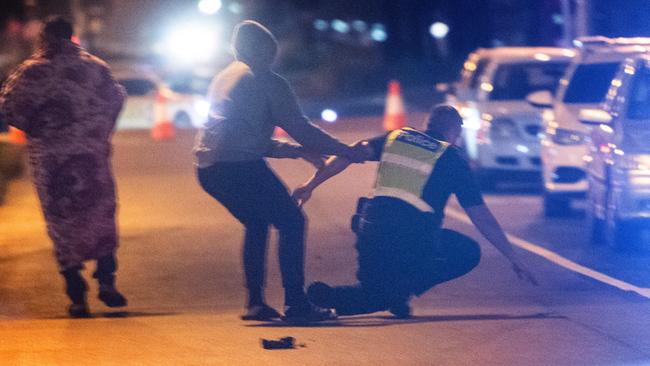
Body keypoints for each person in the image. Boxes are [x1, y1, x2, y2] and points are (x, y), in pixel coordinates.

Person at [292, 105, 537, 318]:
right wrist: (513, 257)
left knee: (375, 287)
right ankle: (334, 296)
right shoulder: (452, 157)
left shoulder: (398, 137)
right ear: (455, 131)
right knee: (467, 251)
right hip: (412, 238)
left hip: (370, 233)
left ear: (427, 125)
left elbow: (350, 152)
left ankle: (389, 291)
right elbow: (481, 217)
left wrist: (310, 185)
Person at [193, 20, 364, 322]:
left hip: (209, 169)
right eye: (270, 49)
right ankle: (297, 304)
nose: (273, 56)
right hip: (239, 166)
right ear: (263, 50)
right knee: (292, 222)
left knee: (257, 223)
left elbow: (243, 136)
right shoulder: (266, 80)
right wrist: (345, 150)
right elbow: (300, 128)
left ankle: (255, 302)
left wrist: (296, 152)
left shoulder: (224, 77)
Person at [0, 16, 127, 318]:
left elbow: (8, 106)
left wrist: (35, 127)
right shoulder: (95, 67)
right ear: (71, 36)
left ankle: (76, 295)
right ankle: (107, 280)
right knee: (100, 215)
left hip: (52, 161)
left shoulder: (31, 71)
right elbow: (117, 98)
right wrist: (100, 129)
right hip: (91, 157)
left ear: (43, 38)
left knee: (62, 222)